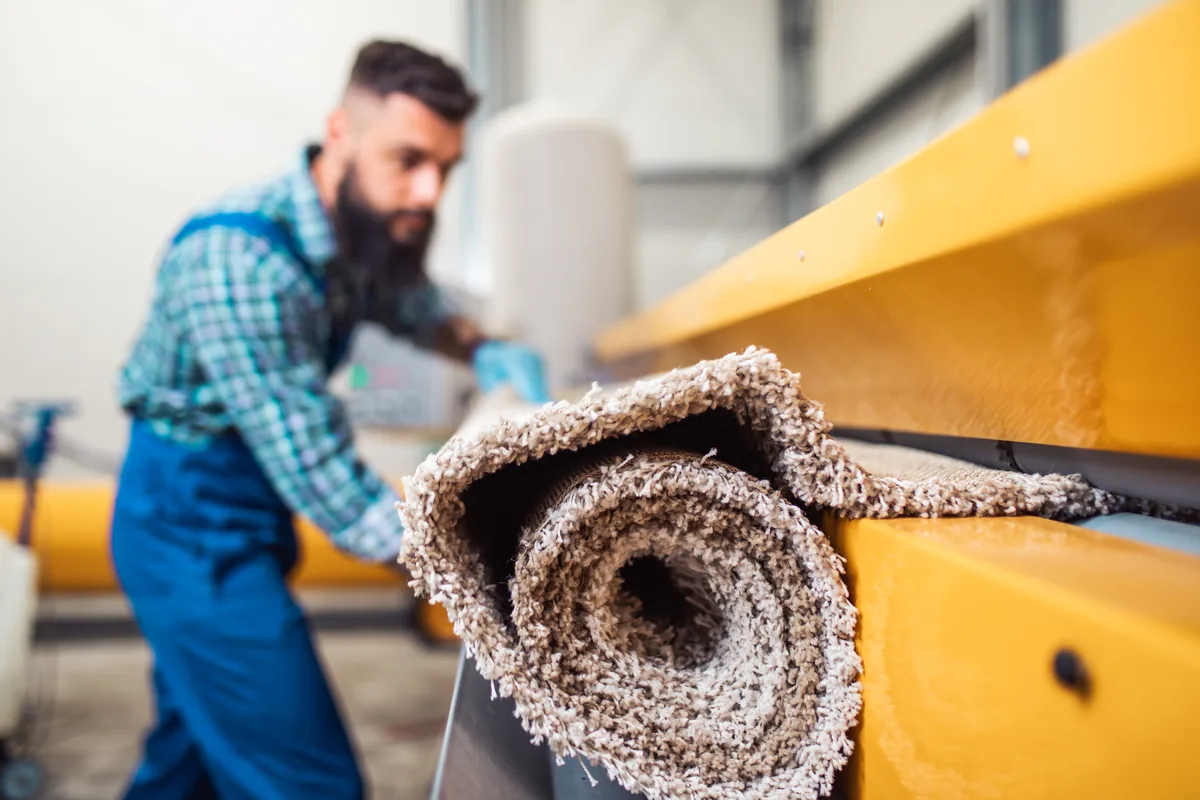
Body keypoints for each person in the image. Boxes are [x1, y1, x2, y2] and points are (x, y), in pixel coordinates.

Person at [109, 39, 549, 799]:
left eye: (445, 169)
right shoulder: (239, 262)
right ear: (340, 133)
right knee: (309, 783)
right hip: (187, 531)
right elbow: (328, 484)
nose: (428, 193)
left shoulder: (355, 231)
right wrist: (485, 566)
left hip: (245, 513)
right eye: (408, 160)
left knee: (188, 762)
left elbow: (414, 305)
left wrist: (480, 349)